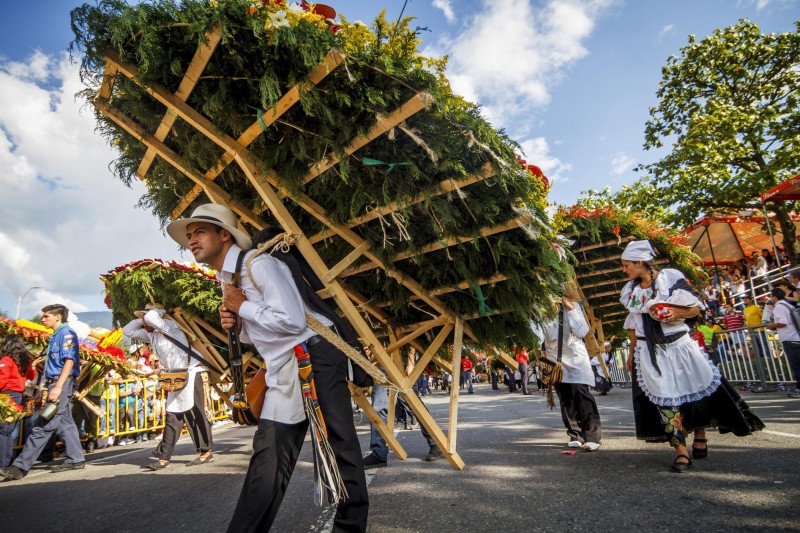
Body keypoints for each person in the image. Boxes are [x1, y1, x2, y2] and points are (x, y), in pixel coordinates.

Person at [167, 203, 368, 532]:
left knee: (339, 445)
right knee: (269, 456)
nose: (192, 240)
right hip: (285, 368)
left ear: (224, 234)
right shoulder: (226, 277)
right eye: (189, 235)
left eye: (200, 231)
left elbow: (290, 319)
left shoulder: (259, 265)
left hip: (317, 356)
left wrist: (242, 306)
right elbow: (258, 332)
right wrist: (238, 321)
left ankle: (350, 527)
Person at [620, 240, 764, 473]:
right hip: (650, 353)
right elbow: (634, 326)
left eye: (626, 265)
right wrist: (631, 353)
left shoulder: (670, 278)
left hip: (680, 346)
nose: (624, 270)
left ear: (640, 262)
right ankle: (681, 452)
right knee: (664, 399)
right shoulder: (630, 291)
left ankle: (700, 434)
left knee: (694, 392)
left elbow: (696, 309)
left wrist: (674, 312)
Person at [122, 304, 214, 470]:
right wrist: (142, 317)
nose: (144, 323)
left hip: (193, 372)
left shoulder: (170, 328)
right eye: (143, 320)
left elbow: (152, 319)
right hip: (174, 378)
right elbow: (127, 330)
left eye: (147, 318)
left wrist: (159, 311)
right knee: (172, 415)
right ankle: (164, 457)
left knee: (196, 413)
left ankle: (206, 452)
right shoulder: (151, 335)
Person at [1, 304, 85, 481]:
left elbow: (69, 362)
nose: (42, 319)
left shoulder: (66, 334)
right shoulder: (56, 335)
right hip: (57, 382)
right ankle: (76, 458)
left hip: (61, 382)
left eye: (46, 316)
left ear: (58, 318)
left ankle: (20, 467)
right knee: (65, 423)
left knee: (43, 423)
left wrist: (58, 387)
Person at [539, 297, 601, 451]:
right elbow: (536, 338)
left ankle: (592, 436)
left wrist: (572, 310)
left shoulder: (571, 307)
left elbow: (582, 331)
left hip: (576, 360)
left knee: (581, 394)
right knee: (566, 398)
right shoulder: (538, 315)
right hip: (556, 363)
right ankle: (575, 434)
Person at [0, 335, 37, 468]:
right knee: (8, 430)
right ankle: (6, 461)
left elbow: (2, 381)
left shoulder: (6, 360)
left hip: (6, 396)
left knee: (3, 430)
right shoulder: (25, 361)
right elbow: (32, 375)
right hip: (18, 396)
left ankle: (2, 463)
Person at [766, 288, 800, 398]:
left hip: (789, 339)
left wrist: (772, 326)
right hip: (796, 337)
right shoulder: (787, 305)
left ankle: (799, 390)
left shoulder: (779, 307)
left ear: (775, 297)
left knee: (796, 366)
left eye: (771, 296)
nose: (771, 299)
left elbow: (782, 322)